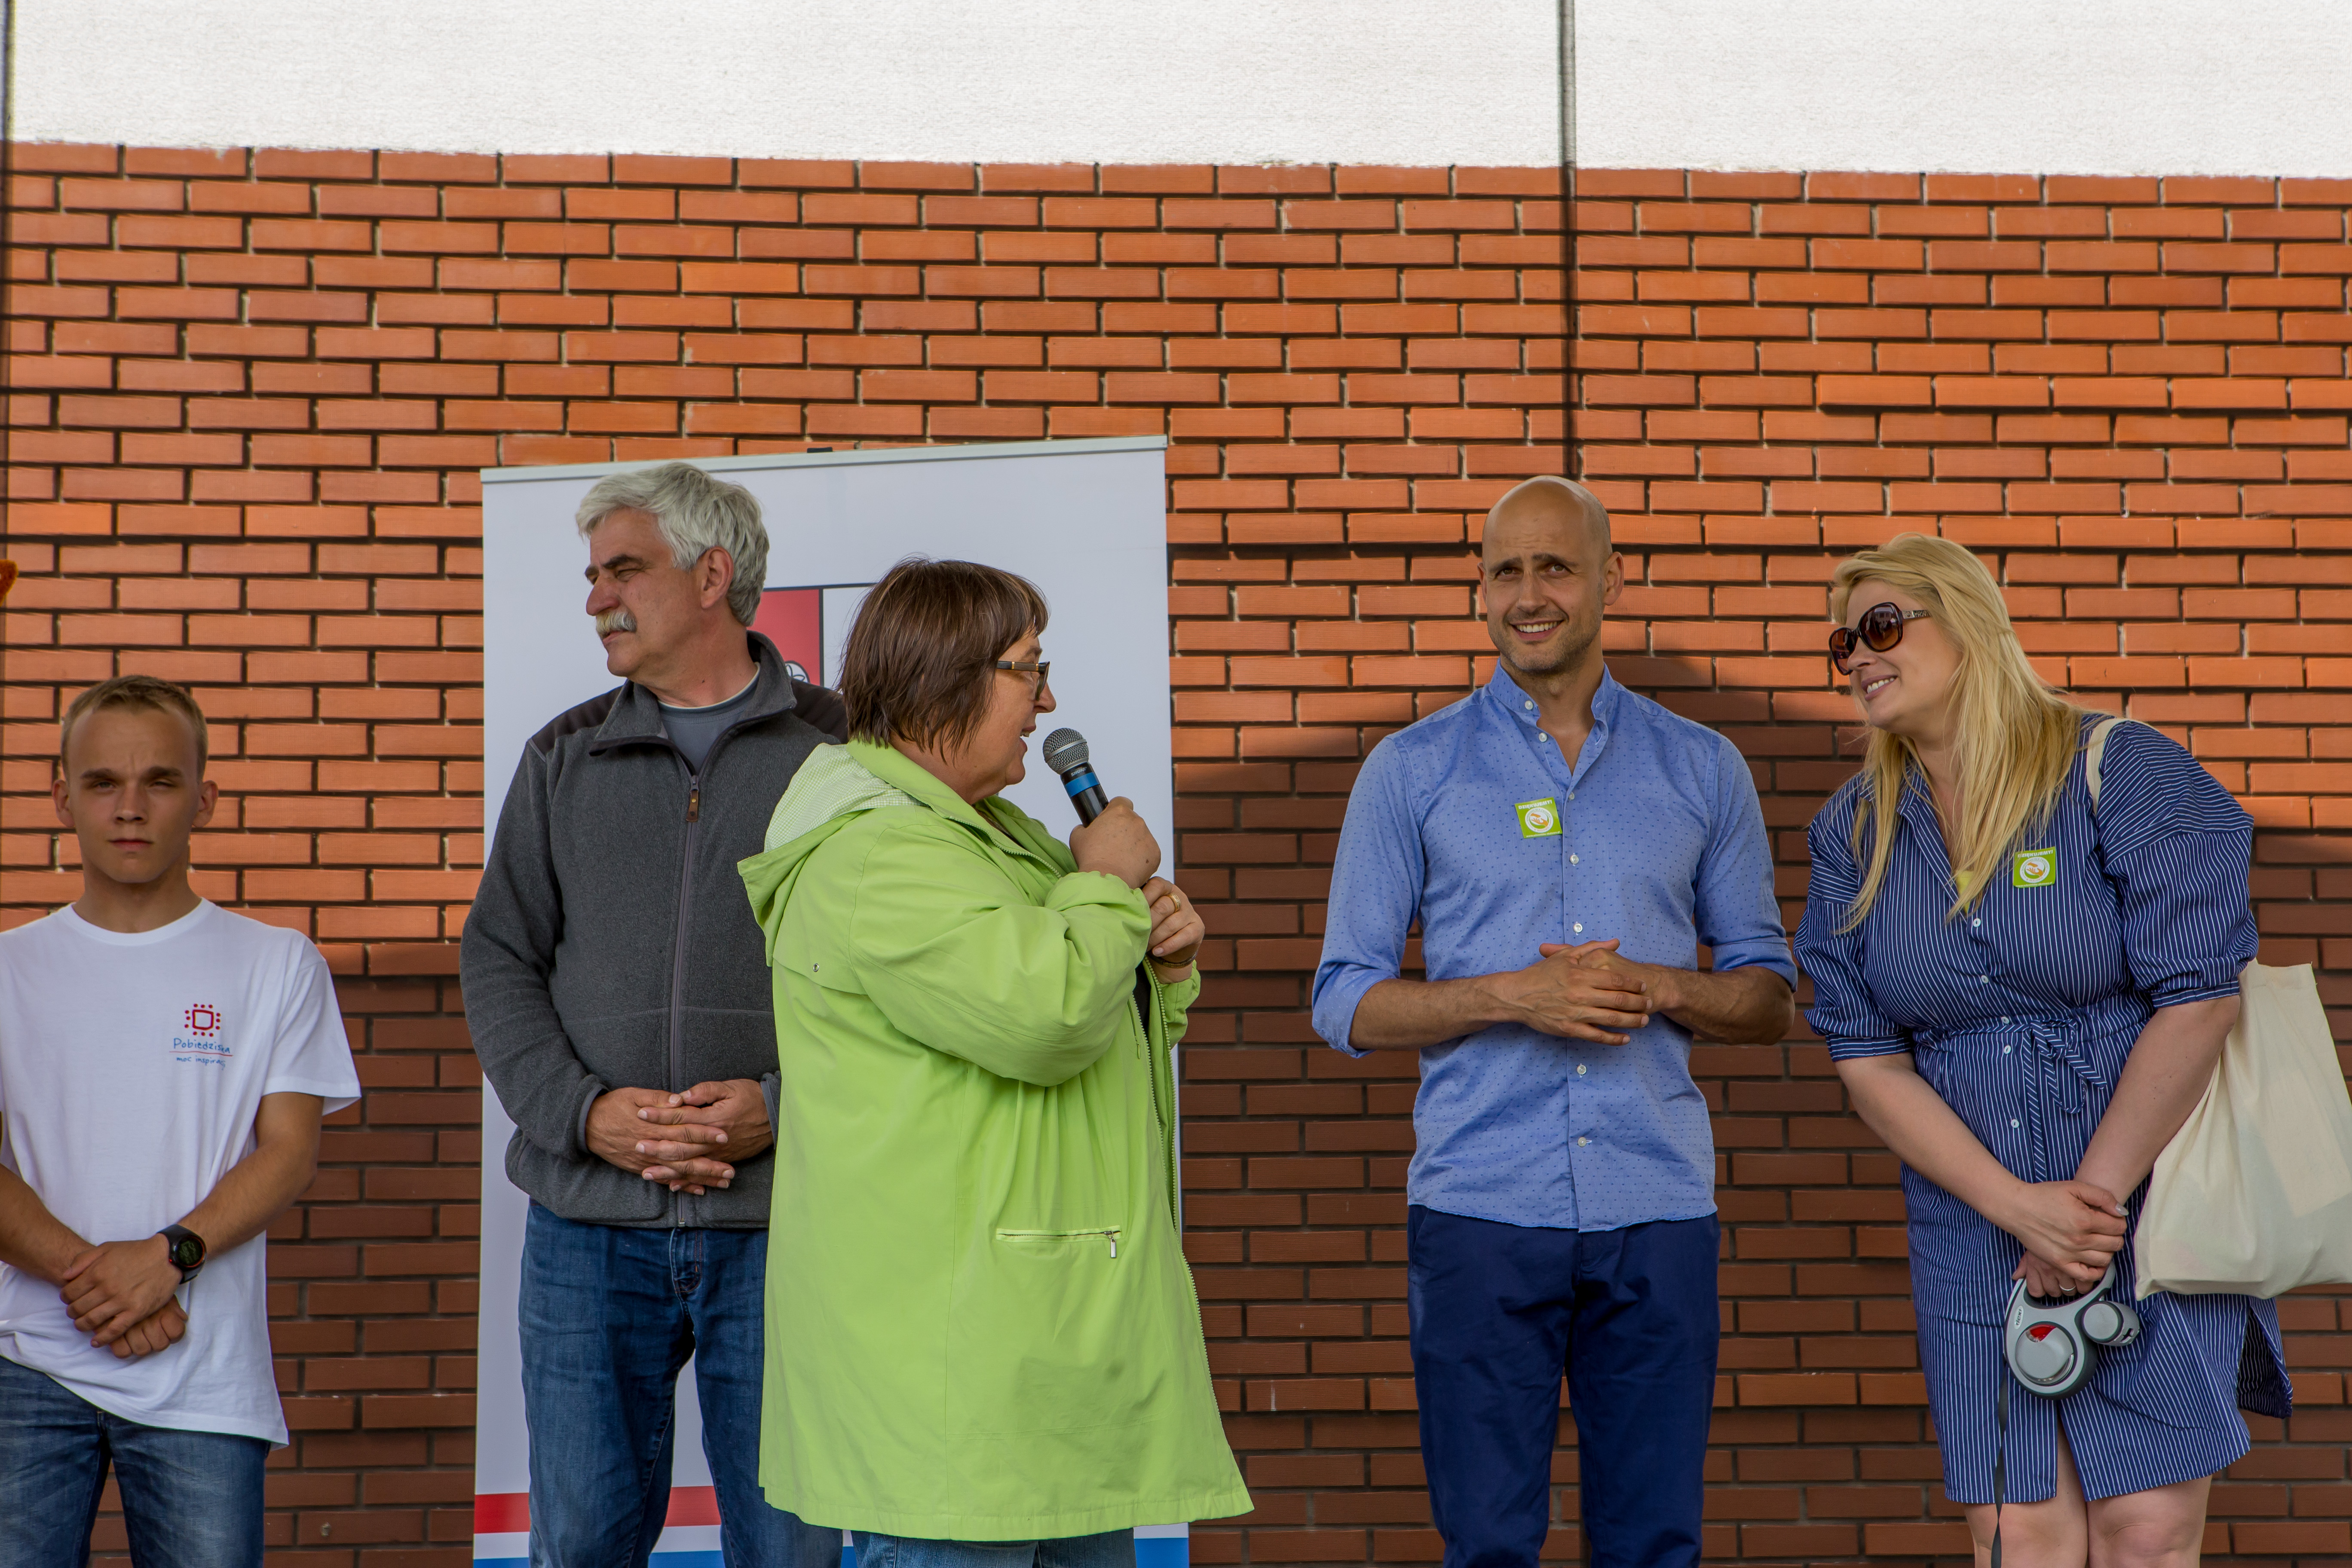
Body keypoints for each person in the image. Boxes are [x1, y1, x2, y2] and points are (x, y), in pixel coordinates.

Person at [1311, 476, 1795, 1568]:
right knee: (1487, 1545)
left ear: (1612, 581)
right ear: (1481, 592)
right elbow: (1343, 998)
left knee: (1654, 1544)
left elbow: (1768, 995)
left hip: (1657, 1206)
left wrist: (1661, 986)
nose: (1530, 595)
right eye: (1507, 572)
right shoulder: (1411, 771)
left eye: (1557, 568)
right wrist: (1507, 996)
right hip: (1481, 1209)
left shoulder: (1702, 766)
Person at [1794, 533, 2288, 1568]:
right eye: (1843, 643)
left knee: (2144, 1532)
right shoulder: (1853, 834)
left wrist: (2084, 1212)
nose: (1859, 657)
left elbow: (2201, 999)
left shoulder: (2119, 768)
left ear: (1968, 625)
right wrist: (2020, 1209)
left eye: (1881, 627)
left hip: (2149, 1211)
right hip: (1974, 1229)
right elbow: (1867, 1057)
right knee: (2021, 1540)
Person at [739, 557, 1249, 1560]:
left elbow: (1097, 1031)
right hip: (954, 1400)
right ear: (944, 678)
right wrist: (1106, 888)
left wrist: (1162, 968)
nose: (1046, 701)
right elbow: (1048, 1016)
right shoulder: (877, 855)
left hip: (1043, 1378)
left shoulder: (993, 837)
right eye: (1028, 669)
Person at [462, 462, 846, 1566]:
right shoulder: (563, 755)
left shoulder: (846, 754)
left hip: (790, 1226)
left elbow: (903, 988)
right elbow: (498, 955)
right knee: (581, 1545)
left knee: (793, 1550)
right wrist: (585, 1117)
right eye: (592, 576)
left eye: (623, 571)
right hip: (587, 1229)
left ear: (712, 575)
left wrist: (785, 1106)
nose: (597, 599)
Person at [0, 677, 361, 1567]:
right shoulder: (9, 968)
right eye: (102, 783)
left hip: (204, 1375)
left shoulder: (278, 964)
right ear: (61, 797)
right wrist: (109, 1287)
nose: (130, 808)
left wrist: (167, 1261)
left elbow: (289, 1155)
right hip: (24, 1369)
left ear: (204, 798)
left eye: (160, 781)